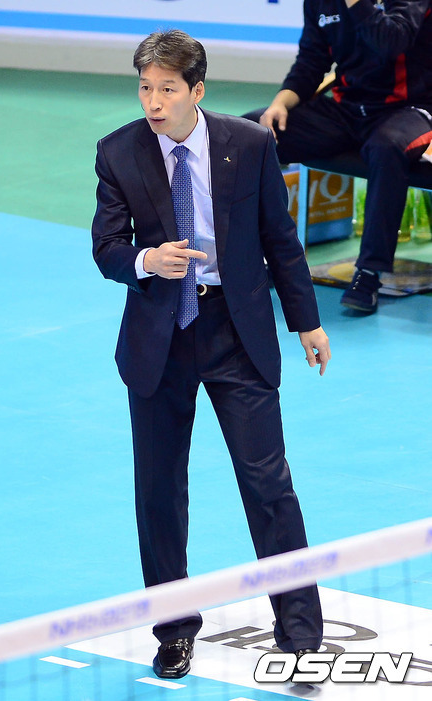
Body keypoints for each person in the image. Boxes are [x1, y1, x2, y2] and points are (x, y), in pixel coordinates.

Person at [92, 29, 331, 680]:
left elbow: (280, 239)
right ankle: (173, 630)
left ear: (196, 90)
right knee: (158, 493)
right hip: (159, 338)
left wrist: (307, 322)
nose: (153, 102)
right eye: (145, 88)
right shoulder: (117, 151)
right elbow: (107, 248)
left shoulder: (249, 144)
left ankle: (301, 634)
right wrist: (148, 259)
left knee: (268, 483)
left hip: (235, 328)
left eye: (167, 89)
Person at [244, 0, 432, 314]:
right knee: (252, 133)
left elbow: (391, 42)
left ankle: (369, 273)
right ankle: (263, 255)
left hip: (411, 108)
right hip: (348, 110)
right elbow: (311, 61)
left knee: (386, 147)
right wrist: (280, 104)